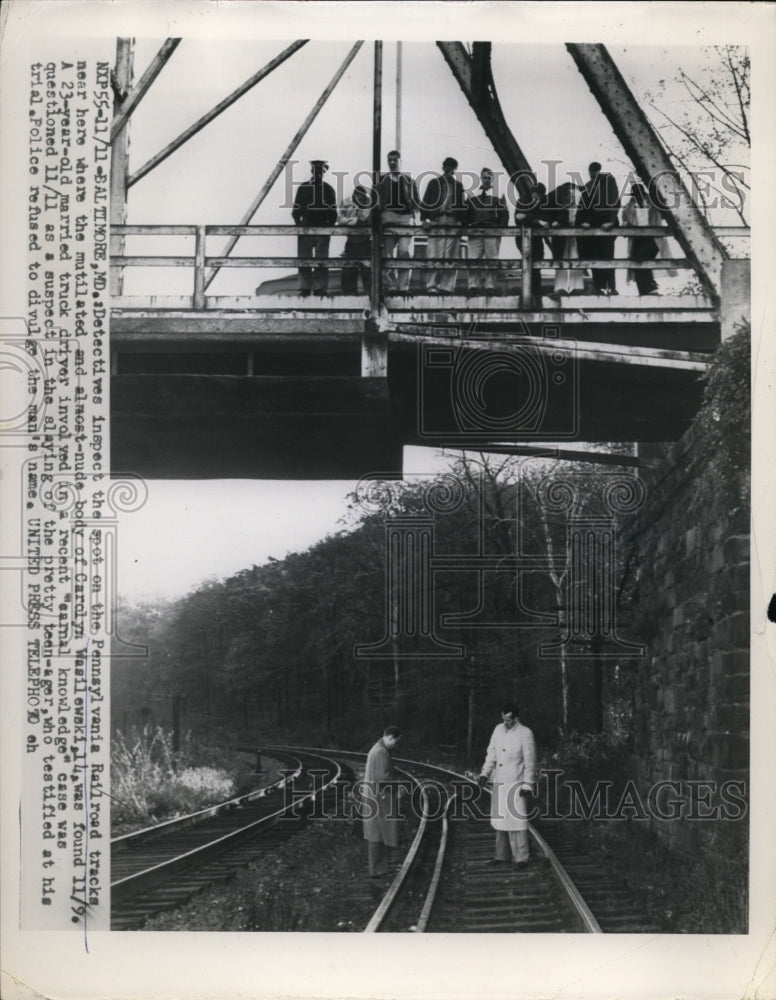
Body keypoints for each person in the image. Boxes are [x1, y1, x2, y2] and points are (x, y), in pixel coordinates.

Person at [478, 703, 536, 868]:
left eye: (509, 720)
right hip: (500, 782)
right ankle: (501, 855)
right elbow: (491, 754)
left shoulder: (525, 734)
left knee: (517, 822)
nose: (506, 723)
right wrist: (484, 774)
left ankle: (521, 858)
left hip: (516, 783)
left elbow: (530, 762)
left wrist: (528, 784)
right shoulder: (497, 730)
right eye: (503, 719)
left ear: (516, 718)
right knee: (500, 820)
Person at [361, 725, 406, 877]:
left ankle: (380, 868)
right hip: (379, 798)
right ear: (390, 737)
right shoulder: (381, 752)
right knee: (378, 834)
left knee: (377, 833)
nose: (396, 745)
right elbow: (383, 778)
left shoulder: (377, 749)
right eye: (396, 741)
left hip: (375, 796)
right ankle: (377, 869)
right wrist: (397, 789)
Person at [420, 156, 468, 295]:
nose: (449, 169)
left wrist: (462, 224)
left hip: (452, 221)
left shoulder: (458, 185)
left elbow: (462, 205)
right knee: (433, 254)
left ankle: (446, 287)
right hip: (437, 220)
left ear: (454, 169)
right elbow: (426, 202)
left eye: (452, 167)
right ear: (443, 167)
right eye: (447, 166)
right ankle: (431, 285)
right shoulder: (434, 183)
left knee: (451, 256)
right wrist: (424, 220)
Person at [291, 159, 338, 296]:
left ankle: (320, 288)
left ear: (323, 173)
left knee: (321, 260)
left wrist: (328, 228)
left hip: (322, 227)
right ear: (312, 171)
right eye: (316, 170)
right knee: (304, 259)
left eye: (320, 171)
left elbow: (333, 213)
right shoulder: (303, 188)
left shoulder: (328, 190)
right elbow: (295, 211)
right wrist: (300, 226)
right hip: (306, 227)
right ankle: (304, 288)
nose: (318, 173)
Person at [376, 150, 418, 294]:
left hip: (405, 219)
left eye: (395, 160)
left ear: (400, 161)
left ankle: (403, 287)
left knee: (404, 252)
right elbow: (375, 203)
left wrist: (415, 214)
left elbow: (416, 202)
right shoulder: (381, 181)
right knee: (387, 254)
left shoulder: (409, 181)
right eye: (390, 160)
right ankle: (391, 285)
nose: (392, 162)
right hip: (388, 217)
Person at [622, 182, 675, 295]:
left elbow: (665, 207)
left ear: (644, 193)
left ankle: (651, 286)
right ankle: (644, 292)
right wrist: (625, 225)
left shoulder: (653, 204)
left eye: (639, 193)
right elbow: (625, 221)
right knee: (635, 264)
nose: (637, 196)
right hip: (637, 239)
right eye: (634, 194)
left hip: (652, 237)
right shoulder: (629, 207)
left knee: (639, 259)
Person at [577, 161, 620, 295]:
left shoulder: (608, 181)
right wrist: (584, 221)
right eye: (591, 173)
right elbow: (583, 207)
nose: (592, 175)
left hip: (606, 221)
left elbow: (614, 201)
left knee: (607, 254)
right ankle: (598, 287)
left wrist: (611, 222)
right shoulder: (588, 187)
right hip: (593, 224)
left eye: (594, 173)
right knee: (594, 254)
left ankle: (611, 287)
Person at [466, 167, 509, 295]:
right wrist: (468, 226)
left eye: (489, 178)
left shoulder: (498, 193)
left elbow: (504, 213)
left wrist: (500, 229)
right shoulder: (472, 193)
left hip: (491, 230)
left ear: (493, 179)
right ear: (481, 178)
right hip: (475, 231)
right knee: (474, 258)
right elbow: (466, 212)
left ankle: (490, 286)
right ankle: (473, 285)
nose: (486, 180)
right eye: (484, 177)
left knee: (492, 258)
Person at [514, 180, 551, 306]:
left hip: (537, 239)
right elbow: (518, 218)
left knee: (537, 263)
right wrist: (537, 221)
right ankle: (527, 292)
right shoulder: (523, 200)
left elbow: (546, 219)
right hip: (522, 238)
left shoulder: (545, 202)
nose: (536, 198)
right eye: (535, 195)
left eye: (539, 196)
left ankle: (535, 292)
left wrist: (529, 217)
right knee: (527, 263)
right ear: (531, 194)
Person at [546, 181, 586, 296]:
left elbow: (583, 216)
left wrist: (582, 223)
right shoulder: (557, 203)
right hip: (561, 235)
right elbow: (551, 214)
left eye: (572, 195)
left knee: (576, 257)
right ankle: (560, 287)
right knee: (561, 258)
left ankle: (577, 287)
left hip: (575, 234)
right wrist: (554, 221)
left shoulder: (579, 206)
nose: (570, 197)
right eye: (567, 194)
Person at [339, 184, 372, 295]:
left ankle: (369, 296)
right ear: (354, 196)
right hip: (351, 242)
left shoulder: (369, 204)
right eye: (358, 198)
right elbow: (339, 218)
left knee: (368, 272)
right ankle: (349, 295)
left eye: (362, 198)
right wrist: (348, 221)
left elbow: (369, 219)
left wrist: (357, 221)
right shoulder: (345, 202)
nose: (360, 200)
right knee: (348, 271)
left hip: (366, 243)